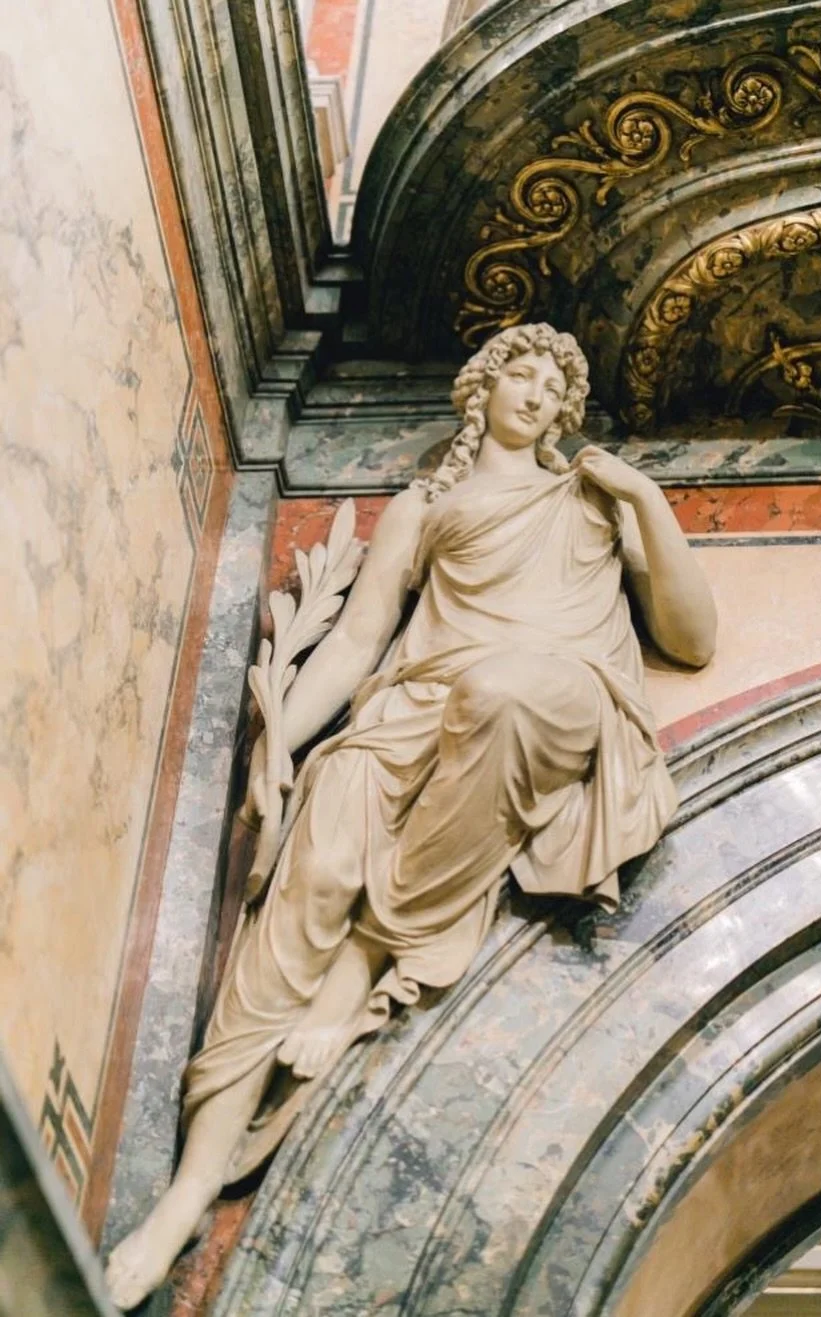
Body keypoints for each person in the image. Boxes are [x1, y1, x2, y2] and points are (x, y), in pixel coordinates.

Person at [105, 323, 716, 1308]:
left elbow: (690, 638)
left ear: (568, 408)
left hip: (546, 698)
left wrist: (643, 497)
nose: (533, 388)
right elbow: (353, 643)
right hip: (410, 711)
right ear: (480, 392)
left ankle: (360, 972)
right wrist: (283, 744)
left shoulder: (592, 502)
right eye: (516, 371)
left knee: (511, 694)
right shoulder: (424, 507)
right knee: (305, 884)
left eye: (552, 379)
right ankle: (183, 1193)